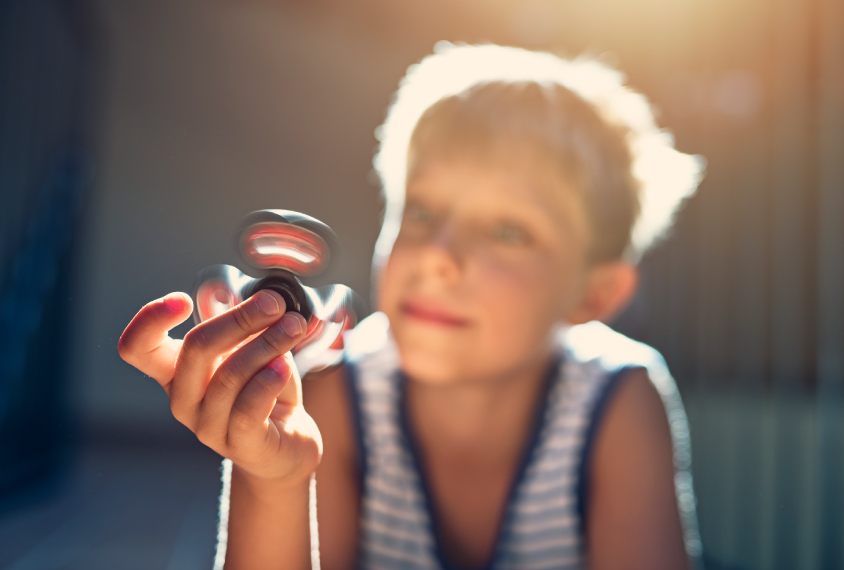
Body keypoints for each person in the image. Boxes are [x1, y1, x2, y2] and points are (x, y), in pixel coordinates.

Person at [118, 43, 704, 570]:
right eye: (421, 213)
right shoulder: (332, 389)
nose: (437, 257)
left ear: (594, 295)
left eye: (507, 231)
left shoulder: (619, 397)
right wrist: (272, 479)